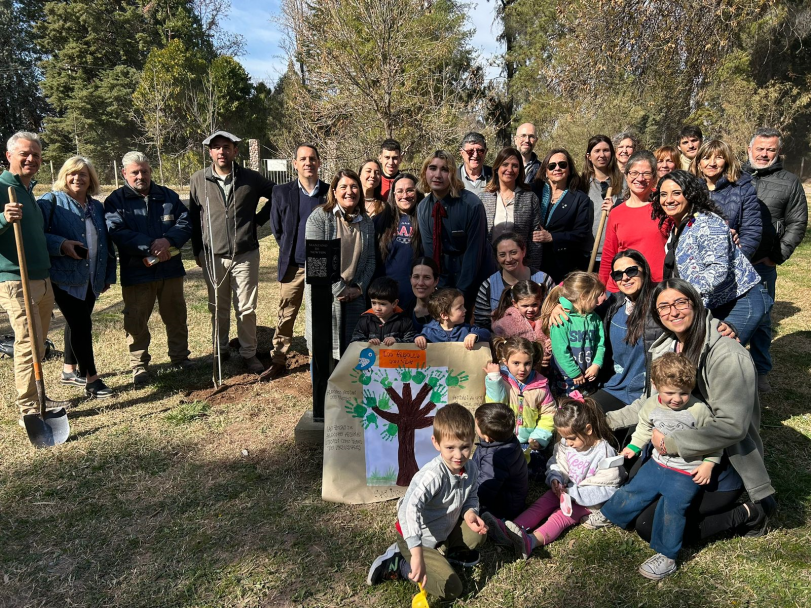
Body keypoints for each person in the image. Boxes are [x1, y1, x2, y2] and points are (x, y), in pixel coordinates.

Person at [605, 279, 777, 545]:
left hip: (718, 460)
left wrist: (673, 443)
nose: (672, 312)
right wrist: (605, 421)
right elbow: (653, 403)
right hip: (669, 452)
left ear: (696, 304)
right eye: (663, 307)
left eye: (680, 303)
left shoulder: (727, 355)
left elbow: (732, 426)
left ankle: (751, 513)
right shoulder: (666, 347)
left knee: (650, 526)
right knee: (629, 495)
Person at [588, 353, 721, 580]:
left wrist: (709, 463)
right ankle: (610, 514)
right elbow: (644, 429)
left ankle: (667, 555)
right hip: (657, 464)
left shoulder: (699, 410)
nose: (677, 399)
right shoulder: (651, 405)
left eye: (684, 393)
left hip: (686, 472)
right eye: (670, 393)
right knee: (634, 489)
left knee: (673, 509)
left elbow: (714, 440)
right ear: (655, 386)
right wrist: (634, 447)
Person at [366, 403, 487, 601]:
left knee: (476, 536)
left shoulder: (471, 468)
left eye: (465, 447)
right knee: (452, 589)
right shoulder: (432, 475)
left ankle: (446, 553)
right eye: (450, 448)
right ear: (436, 443)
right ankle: (398, 562)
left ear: (472, 441)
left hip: (442, 531)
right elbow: (409, 510)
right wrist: (416, 554)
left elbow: (471, 496)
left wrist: (470, 513)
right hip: (414, 539)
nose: (458, 455)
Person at [484, 397, 624, 560]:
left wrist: (574, 494)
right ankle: (511, 529)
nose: (569, 443)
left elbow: (608, 485)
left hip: (589, 501)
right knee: (541, 504)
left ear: (588, 429)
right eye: (565, 438)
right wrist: (556, 479)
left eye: (572, 438)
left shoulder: (605, 452)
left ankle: (530, 541)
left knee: (560, 517)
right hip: (565, 490)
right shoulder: (566, 443)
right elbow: (558, 462)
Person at [188, 130, 275, 375]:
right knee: (218, 306)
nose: (221, 152)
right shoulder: (198, 179)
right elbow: (195, 218)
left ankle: (248, 353)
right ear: (210, 152)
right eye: (216, 147)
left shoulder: (250, 178)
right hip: (213, 255)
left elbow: (278, 196)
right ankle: (221, 350)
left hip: (245, 253)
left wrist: (258, 221)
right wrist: (198, 249)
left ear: (235, 150)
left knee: (246, 308)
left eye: (226, 147)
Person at [104, 151, 193, 385]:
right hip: (137, 272)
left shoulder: (167, 196)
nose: (140, 176)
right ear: (125, 173)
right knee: (136, 320)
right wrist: (150, 246)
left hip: (170, 269)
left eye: (144, 171)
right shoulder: (116, 200)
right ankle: (139, 366)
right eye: (135, 172)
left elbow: (186, 221)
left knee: (175, 316)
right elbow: (117, 231)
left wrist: (168, 241)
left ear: (150, 171)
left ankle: (180, 357)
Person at [653, 170, 771, 344]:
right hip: (713, 303)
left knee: (724, 356)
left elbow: (717, 270)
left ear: (690, 194)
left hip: (740, 301)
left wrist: (681, 298)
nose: (669, 199)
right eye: (664, 194)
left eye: (676, 193)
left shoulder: (707, 222)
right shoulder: (678, 227)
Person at [0, 132, 67, 421]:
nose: (32, 159)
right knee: (27, 344)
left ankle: (39, 395)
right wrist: (3, 218)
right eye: (25, 154)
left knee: (39, 344)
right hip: (17, 279)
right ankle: (29, 406)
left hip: (41, 278)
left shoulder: (28, 191)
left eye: (37, 155)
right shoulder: (2, 188)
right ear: (8, 156)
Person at [38, 156, 115, 398]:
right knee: (82, 324)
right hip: (62, 277)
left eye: (83, 174)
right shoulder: (51, 202)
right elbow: (36, 236)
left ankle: (69, 370)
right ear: (64, 176)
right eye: (72, 173)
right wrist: (61, 244)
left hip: (92, 276)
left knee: (78, 321)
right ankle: (92, 379)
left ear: (91, 179)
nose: (77, 178)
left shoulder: (97, 207)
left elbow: (106, 243)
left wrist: (108, 274)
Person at [743, 127, 809, 392]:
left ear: (778, 152)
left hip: (763, 264)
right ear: (749, 149)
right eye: (760, 148)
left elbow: (798, 222)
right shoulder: (735, 177)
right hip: (734, 262)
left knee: (762, 316)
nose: (764, 154)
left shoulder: (789, 181)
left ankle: (760, 370)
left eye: (770, 149)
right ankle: (729, 368)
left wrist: (778, 255)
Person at [267, 144, 329, 379]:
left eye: (312, 158)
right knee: (286, 314)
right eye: (302, 159)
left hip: (320, 263)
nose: (308, 163)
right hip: (293, 263)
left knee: (318, 314)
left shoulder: (329, 191)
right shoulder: (281, 192)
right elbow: (277, 228)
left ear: (319, 162)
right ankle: (278, 359)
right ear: (295, 164)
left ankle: (317, 360)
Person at [304, 169, 375, 361]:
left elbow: (370, 260)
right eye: (343, 187)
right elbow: (317, 263)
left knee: (352, 353)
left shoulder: (367, 222)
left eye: (354, 186)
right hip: (325, 296)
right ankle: (322, 391)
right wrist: (339, 290)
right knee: (323, 352)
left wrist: (358, 289)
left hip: (355, 296)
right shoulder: (320, 218)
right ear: (334, 191)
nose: (349, 191)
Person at [417, 150, 491, 313]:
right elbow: (431, 253)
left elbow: (474, 255)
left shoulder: (472, 205)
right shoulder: (423, 207)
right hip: (443, 284)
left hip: (474, 284)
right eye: (433, 168)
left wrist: (459, 295)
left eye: (444, 169)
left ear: (453, 175)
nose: (438, 174)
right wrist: (440, 292)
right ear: (425, 172)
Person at [599, 151, 667, 291]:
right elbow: (608, 254)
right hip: (624, 288)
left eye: (646, 173)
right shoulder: (616, 213)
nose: (640, 178)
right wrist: (601, 288)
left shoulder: (664, 209)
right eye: (634, 173)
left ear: (654, 177)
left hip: (656, 287)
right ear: (626, 175)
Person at [691, 139, 762, 260]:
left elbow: (751, 232)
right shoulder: (689, 189)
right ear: (698, 163)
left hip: (729, 262)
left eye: (718, 157)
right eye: (706, 158)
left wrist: (734, 261)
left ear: (727, 162)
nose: (712, 163)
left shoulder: (743, 189)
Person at [484, 336, 555, 457]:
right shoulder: (500, 380)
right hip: (502, 440)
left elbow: (549, 414)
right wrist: (495, 379)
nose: (522, 369)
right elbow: (495, 407)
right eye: (516, 363)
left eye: (527, 363)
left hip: (529, 442)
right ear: (505, 362)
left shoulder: (541, 386)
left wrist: (539, 437)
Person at [532, 148, 593, 282]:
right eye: (552, 166)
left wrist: (552, 237)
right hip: (533, 262)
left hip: (564, 266)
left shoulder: (580, 199)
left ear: (569, 169)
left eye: (562, 165)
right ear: (545, 171)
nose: (557, 168)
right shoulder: (534, 192)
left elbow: (581, 234)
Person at [542, 272, 606, 396]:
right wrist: (574, 372)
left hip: (588, 375)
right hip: (567, 378)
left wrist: (596, 364)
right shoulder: (562, 318)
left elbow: (600, 344)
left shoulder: (595, 318)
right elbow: (560, 351)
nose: (598, 302)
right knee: (566, 408)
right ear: (583, 296)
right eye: (595, 297)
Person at [474, 232, 553, 332]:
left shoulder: (544, 279)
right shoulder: (488, 285)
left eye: (513, 252)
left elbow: (554, 312)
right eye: (502, 255)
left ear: (523, 251)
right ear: (496, 257)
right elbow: (481, 323)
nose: (508, 259)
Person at [479, 147, 543, 266]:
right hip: (490, 265)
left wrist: (533, 271)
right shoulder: (483, 198)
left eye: (515, 165)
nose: (510, 169)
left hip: (519, 266)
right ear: (497, 167)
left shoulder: (529, 198)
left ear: (519, 170)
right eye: (505, 164)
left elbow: (535, 239)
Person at [373, 172, 422, 310]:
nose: (405, 195)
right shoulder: (380, 221)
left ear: (417, 193)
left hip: (416, 296)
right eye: (399, 191)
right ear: (393, 195)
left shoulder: (426, 220)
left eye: (410, 190)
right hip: (384, 297)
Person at [473, 402, 529, 520]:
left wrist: (468, 497)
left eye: (476, 425)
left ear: (487, 437)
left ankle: (498, 523)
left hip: (504, 506)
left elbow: (485, 492)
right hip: (508, 493)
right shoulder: (506, 438)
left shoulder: (495, 459)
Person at [581, 135, 624, 264]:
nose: (602, 155)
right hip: (587, 253)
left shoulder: (625, 182)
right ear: (588, 156)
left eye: (606, 150)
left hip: (616, 252)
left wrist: (615, 210)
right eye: (597, 151)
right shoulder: (580, 183)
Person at [491, 280, 551, 366]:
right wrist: (536, 360)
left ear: (540, 301)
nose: (530, 309)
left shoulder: (546, 318)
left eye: (534, 305)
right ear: (515, 303)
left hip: (546, 371)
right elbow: (501, 349)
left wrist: (551, 347)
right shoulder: (506, 324)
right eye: (525, 306)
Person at [414, 287, 490, 350]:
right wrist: (419, 338)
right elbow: (419, 338)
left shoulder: (466, 329)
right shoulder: (429, 331)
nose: (465, 310)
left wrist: (475, 335)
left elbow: (487, 333)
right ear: (444, 315)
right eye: (460, 307)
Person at [350, 277, 416, 345]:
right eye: (374, 303)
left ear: (394, 303)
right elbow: (355, 342)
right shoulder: (365, 320)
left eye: (383, 304)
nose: (377, 308)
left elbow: (411, 342)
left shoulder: (404, 321)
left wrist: (397, 341)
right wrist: (368, 342)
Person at [457, 132, 492, 198]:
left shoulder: (495, 177)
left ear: (485, 152)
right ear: (462, 153)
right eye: (470, 151)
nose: (475, 155)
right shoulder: (451, 179)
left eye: (480, 151)